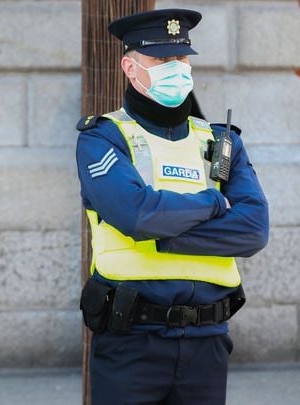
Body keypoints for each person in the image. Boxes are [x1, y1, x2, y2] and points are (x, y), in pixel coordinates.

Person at [76, 8, 268, 405]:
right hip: (132, 342)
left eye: (181, 58)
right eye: (161, 60)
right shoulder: (105, 138)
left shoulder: (220, 142)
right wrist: (216, 201)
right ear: (130, 67)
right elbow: (137, 215)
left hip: (208, 341)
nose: (176, 68)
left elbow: (253, 229)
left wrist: (164, 235)